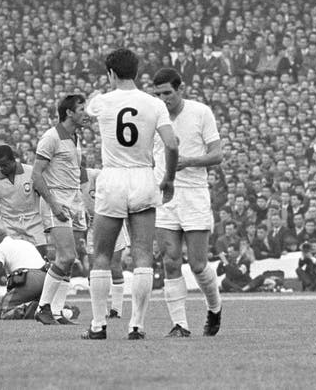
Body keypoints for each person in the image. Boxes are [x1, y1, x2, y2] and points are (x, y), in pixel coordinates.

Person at [82, 49, 178, 340]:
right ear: (137, 72)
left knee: (101, 255)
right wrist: (169, 179)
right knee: (142, 256)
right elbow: (172, 145)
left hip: (112, 177)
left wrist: (102, 89)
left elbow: (87, 107)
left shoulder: (101, 102)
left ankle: (99, 325)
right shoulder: (154, 104)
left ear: (111, 73)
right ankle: (137, 325)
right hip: (143, 176)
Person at [151, 68, 223, 338]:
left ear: (180, 89)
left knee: (197, 264)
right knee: (170, 261)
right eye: (158, 94)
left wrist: (189, 161)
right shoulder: (152, 116)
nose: (163, 99)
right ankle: (180, 325)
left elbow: (217, 155)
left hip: (193, 194)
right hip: (165, 195)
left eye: (167, 93)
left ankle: (214, 307)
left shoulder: (201, 112)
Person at [32, 94, 89, 325]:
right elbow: (36, 174)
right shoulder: (51, 137)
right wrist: (54, 204)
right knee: (66, 256)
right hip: (57, 199)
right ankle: (42, 307)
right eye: (82, 109)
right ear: (69, 113)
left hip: (74, 199)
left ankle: (56, 311)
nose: (86, 113)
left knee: (70, 258)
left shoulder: (75, 137)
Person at [0, 145, 48, 258]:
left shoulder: (31, 172)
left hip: (34, 222)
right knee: (17, 261)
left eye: (5, 165)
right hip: (11, 226)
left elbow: (44, 195)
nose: (1, 168)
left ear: (13, 160)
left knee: (41, 258)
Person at [82, 166, 129, 319]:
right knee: (93, 268)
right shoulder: (66, 179)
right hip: (91, 228)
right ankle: (100, 311)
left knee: (114, 265)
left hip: (111, 221)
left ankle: (116, 309)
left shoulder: (96, 175)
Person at [0, 228, 49, 319]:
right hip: (46, 279)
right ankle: (43, 307)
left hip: (28, 280)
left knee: (4, 312)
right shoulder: (25, 243)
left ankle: (30, 309)